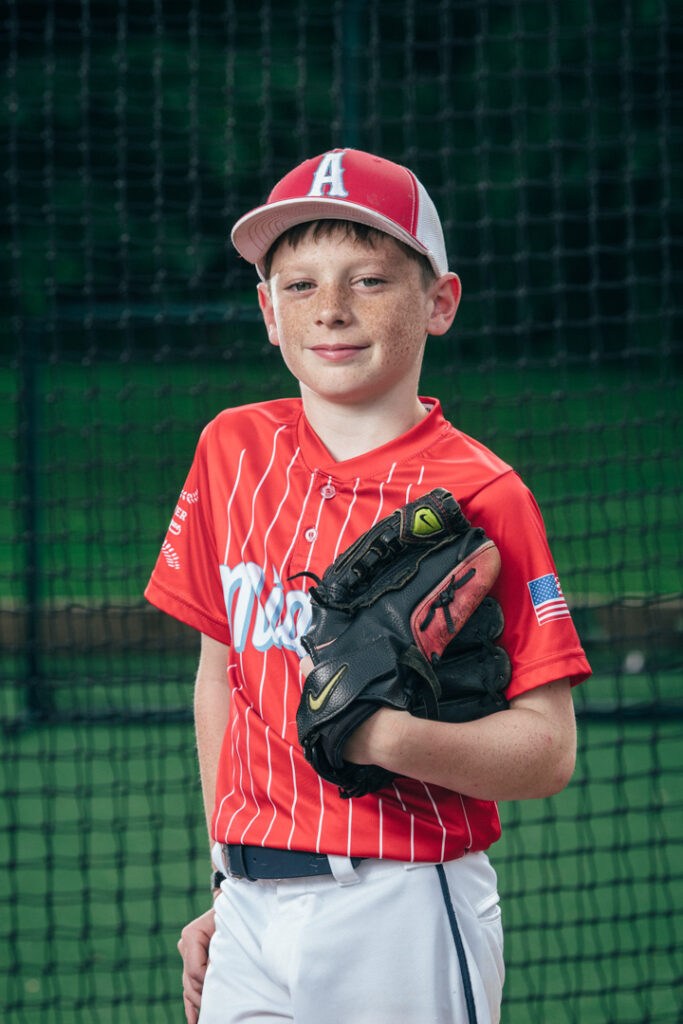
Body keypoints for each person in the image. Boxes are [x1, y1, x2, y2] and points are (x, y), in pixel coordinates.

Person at [144, 148, 591, 1024]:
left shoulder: (481, 494)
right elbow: (220, 677)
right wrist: (222, 875)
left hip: (401, 903)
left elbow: (546, 753)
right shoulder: (229, 449)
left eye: (371, 280)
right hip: (249, 904)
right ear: (267, 313)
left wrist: (381, 735)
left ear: (439, 301)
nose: (333, 310)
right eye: (299, 285)